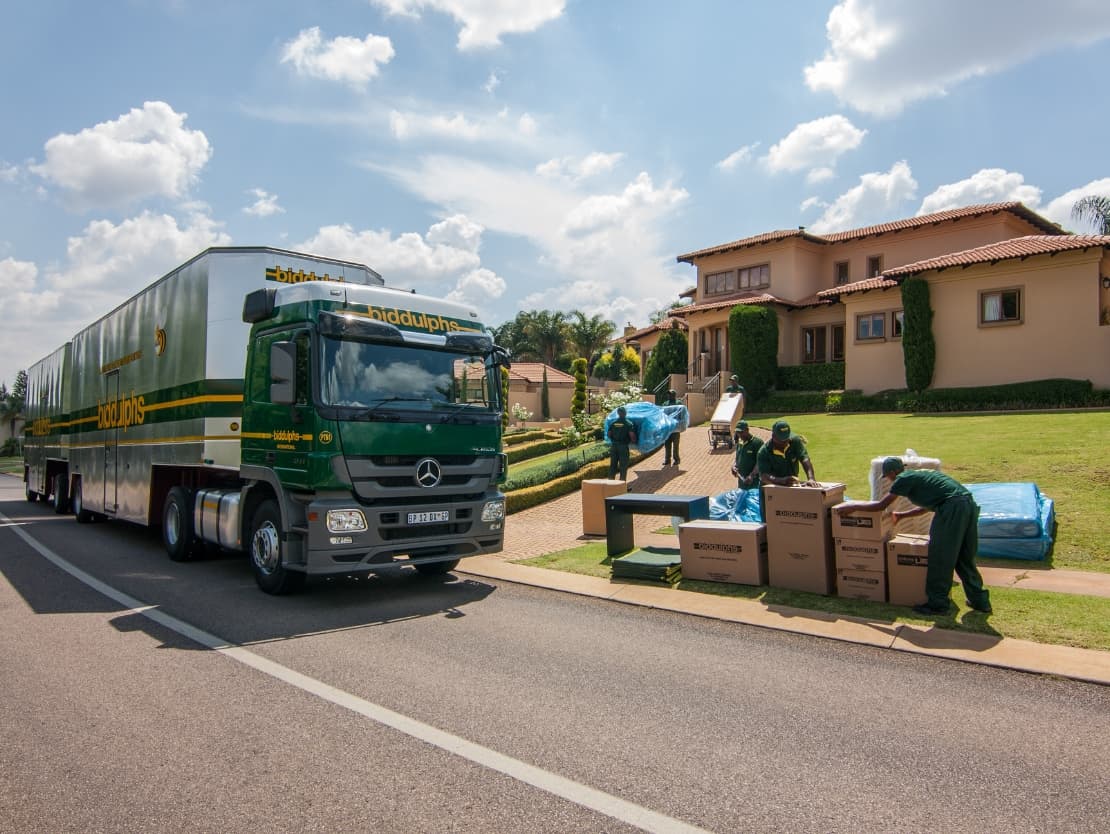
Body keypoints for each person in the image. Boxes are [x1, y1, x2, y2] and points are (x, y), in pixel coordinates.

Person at [840, 457, 992, 616]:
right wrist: (901, 515)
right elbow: (925, 508)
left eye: (888, 476)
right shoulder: (921, 476)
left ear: (892, 472)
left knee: (941, 556)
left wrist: (853, 506)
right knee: (964, 557)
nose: (889, 480)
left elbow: (881, 505)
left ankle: (937, 604)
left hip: (952, 510)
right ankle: (980, 601)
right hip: (968, 506)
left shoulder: (902, 479)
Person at [756, 419, 816, 486]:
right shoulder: (764, 451)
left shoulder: (795, 441)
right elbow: (764, 476)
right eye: (781, 440)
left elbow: (804, 459)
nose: (784, 443)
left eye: (786, 439)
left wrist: (811, 478)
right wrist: (782, 480)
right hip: (770, 489)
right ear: (773, 436)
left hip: (791, 485)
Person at [607, 406, 637, 482]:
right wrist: (634, 441)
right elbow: (632, 435)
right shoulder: (628, 423)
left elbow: (609, 434)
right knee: (623, 466)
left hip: (614, 447)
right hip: (623, 447)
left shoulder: (613, 423)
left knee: (613, 465)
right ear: (625, 413)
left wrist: (614, 439)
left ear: (618, 413)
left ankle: (610, 484)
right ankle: (621, 486)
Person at [730, 420, 762, 488]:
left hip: (754, 482)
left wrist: (752, 475)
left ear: (747, 430)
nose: (739, 435)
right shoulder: (740, 443)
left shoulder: (757, 443)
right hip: (742, 482)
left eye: (741, 432)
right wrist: (734, 466)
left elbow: (760, 462)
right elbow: (737, 458)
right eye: (738, 432)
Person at [661, 389, 682, 466]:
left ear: (674, 395)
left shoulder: (678, 403)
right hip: (667, 428)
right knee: (667, 445)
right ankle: (667, 460)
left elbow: (681, 413)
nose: (669, 395)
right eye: (668, 394)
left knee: (675, 446)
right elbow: (662, 414)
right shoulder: (665, 403)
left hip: (676, 428)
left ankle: (676, 459)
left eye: (671, 394)